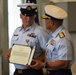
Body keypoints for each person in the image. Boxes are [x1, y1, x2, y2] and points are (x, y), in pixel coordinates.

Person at [4, 2, 49, 75]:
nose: (28, 18)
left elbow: (48, 51)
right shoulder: (17, 31)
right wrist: (9, 53)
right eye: (26, 15)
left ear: (35, 16)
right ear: (20, 16)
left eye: (31, 16)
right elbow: (12, 48)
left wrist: (39, 62)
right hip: (17, 72)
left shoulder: (40, 32)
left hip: (33, 72)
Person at [29, 5, 74, 75]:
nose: (45, 21)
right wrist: (38, 62)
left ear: (51, 23)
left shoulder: (63, 38)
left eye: (46, 19)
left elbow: (64, 62)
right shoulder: (54, 35)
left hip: (60, 73)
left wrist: (43, 65)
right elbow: (50, 55)